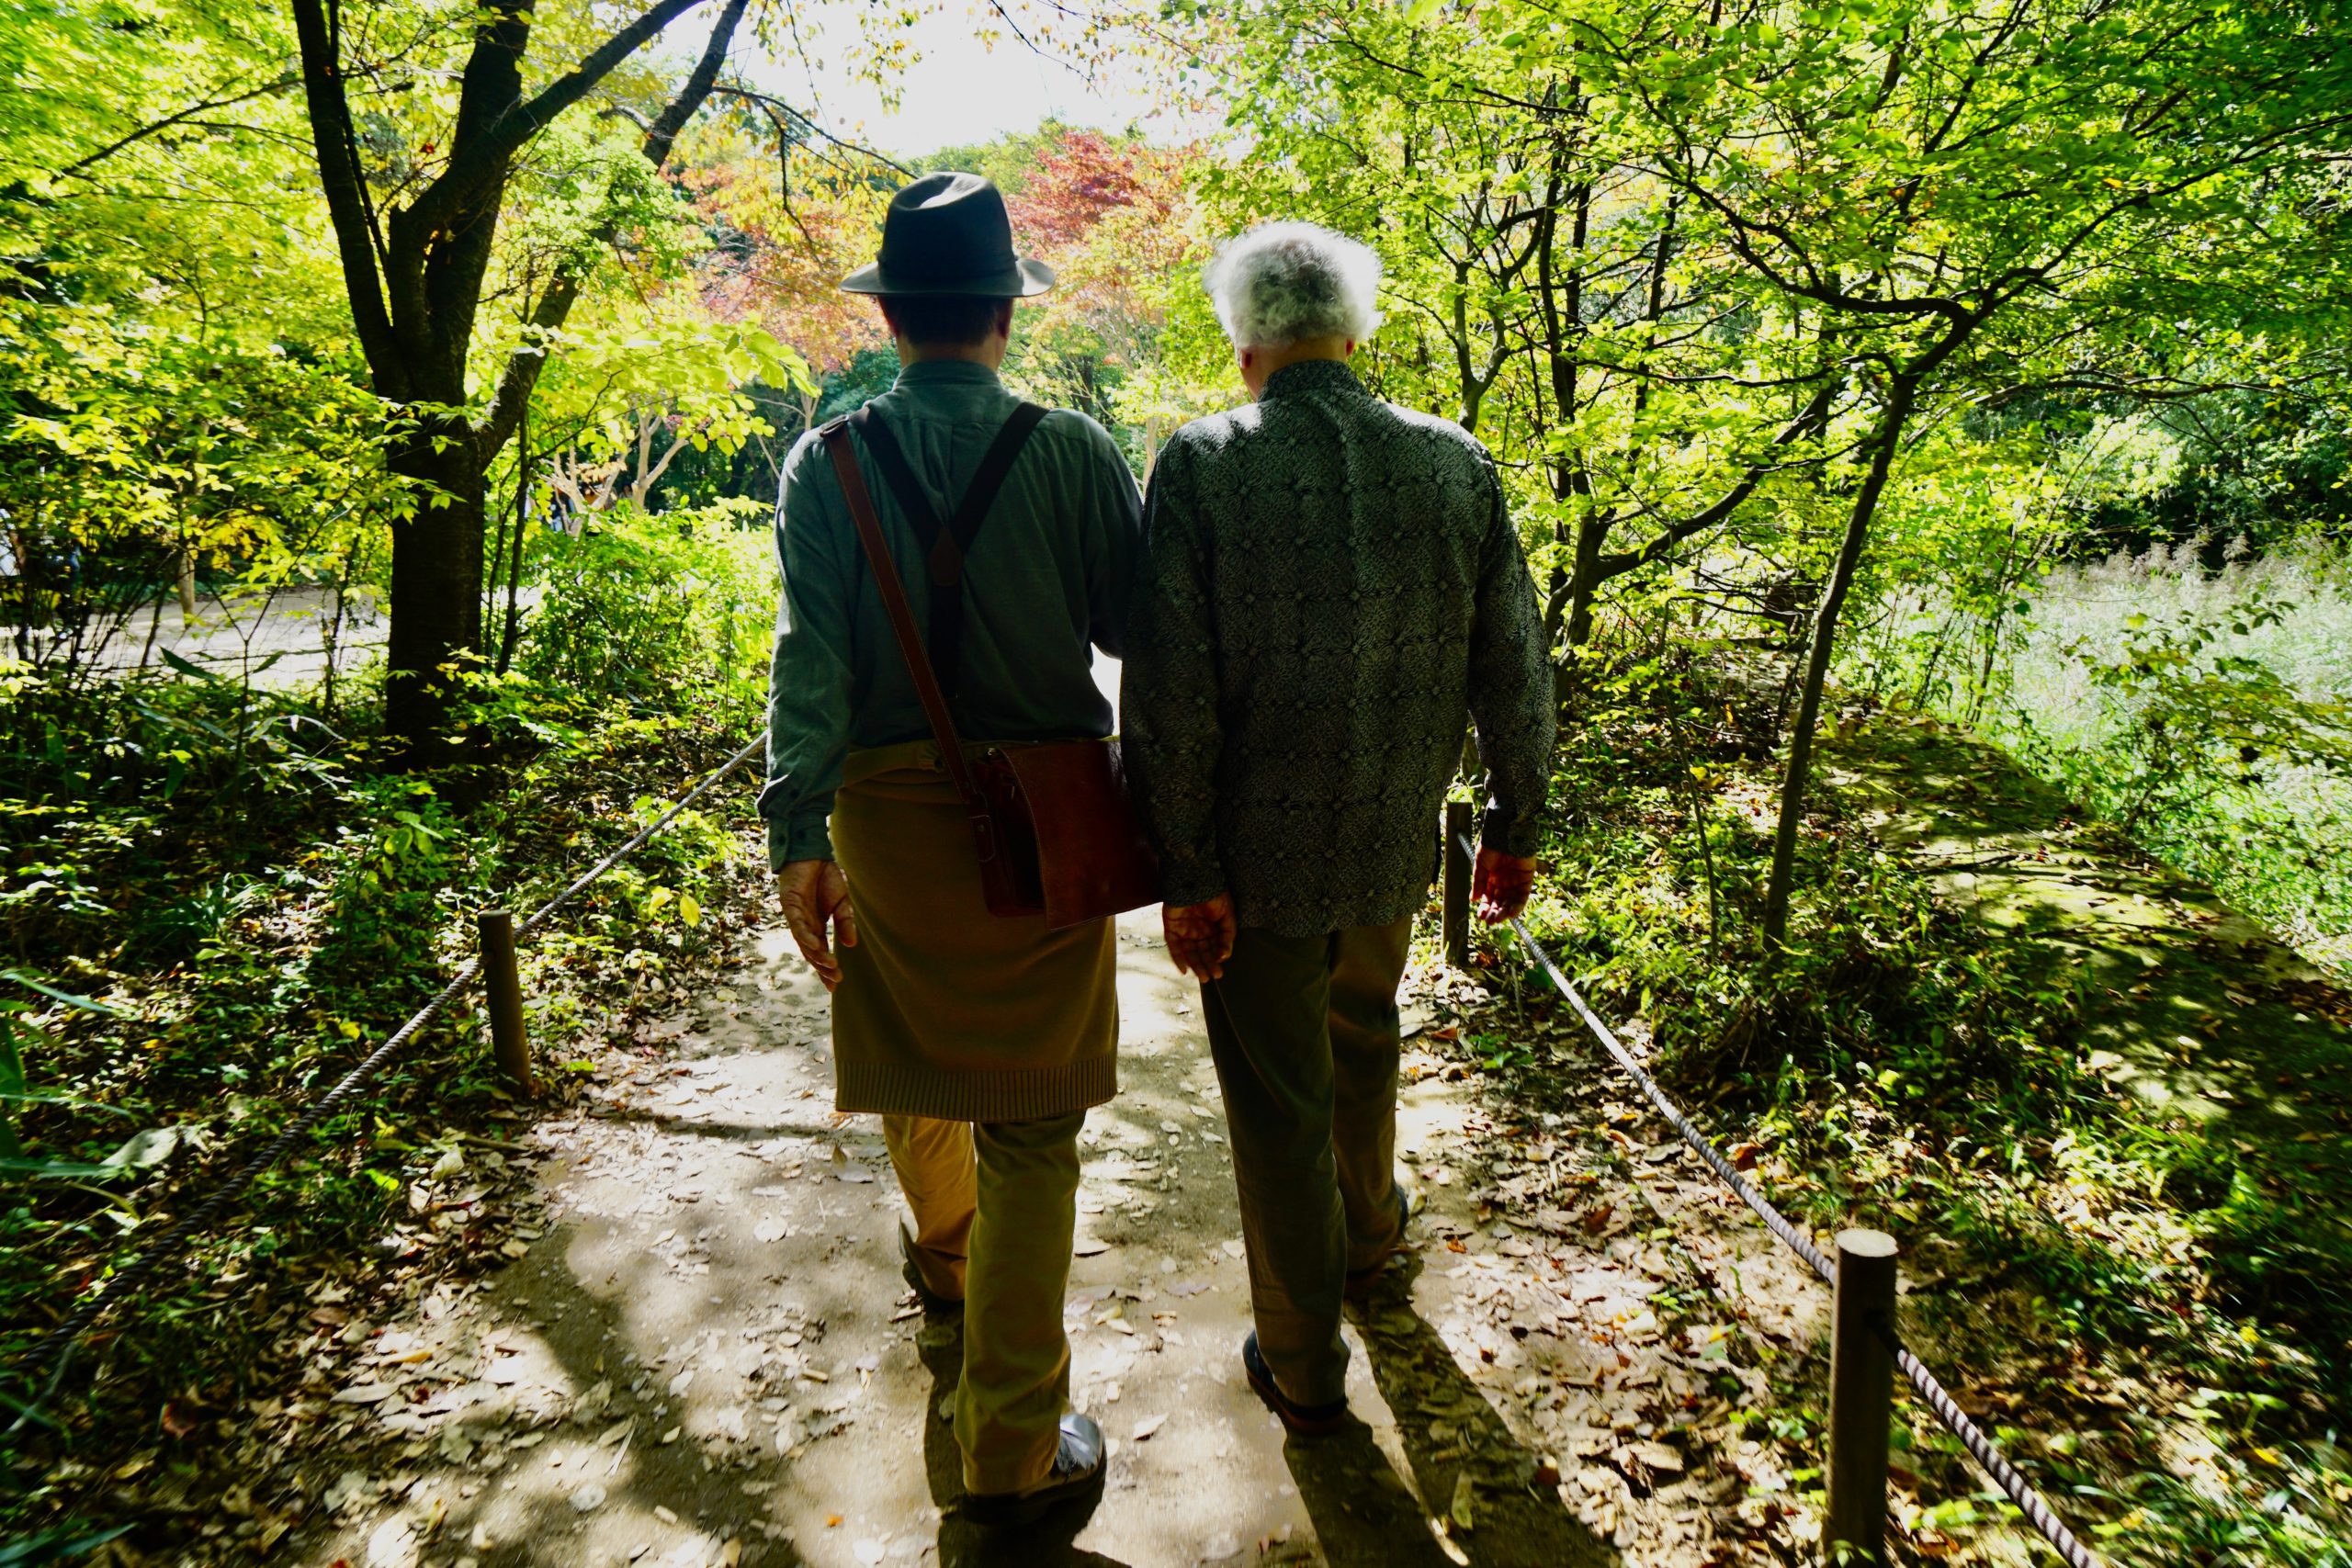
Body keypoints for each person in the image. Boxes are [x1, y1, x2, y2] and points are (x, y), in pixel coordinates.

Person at [1122, 220, 1555, 1436]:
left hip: (1250, 865)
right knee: (1365, 1036)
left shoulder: (1204, 463)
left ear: (1244, 338)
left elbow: (1169, 690)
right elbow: (1513, 662)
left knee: (1277, 1100)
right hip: (1388, 844)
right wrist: (1520, 820)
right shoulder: (1454, 463)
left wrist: (1186, 865)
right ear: (1356, 333)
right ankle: (1370, 1240)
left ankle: (1306, 1359)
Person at [758, 172, 1140, 1524]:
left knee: (922, 1063)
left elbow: (809, 659)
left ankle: (947, 1264)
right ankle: (1012, 1445)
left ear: (897, 315)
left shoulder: (829, 461)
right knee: (1035, 1127)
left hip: (887, 814)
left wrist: (796, 831)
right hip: (1043, 820)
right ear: (1001, 314)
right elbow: (1133, 635)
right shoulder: (1079, 452)